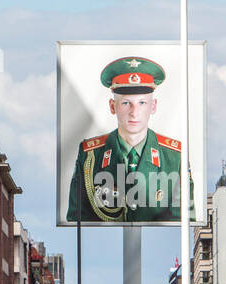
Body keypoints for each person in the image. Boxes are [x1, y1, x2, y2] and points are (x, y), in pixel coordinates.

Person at [65, 55, 192, 223]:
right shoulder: (90, 155)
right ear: (113, 106)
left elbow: (185, 223)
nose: (134, 112)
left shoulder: (175, 156)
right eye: (126, 103)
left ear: (153, 106)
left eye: (142, 103)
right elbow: (77, 220)